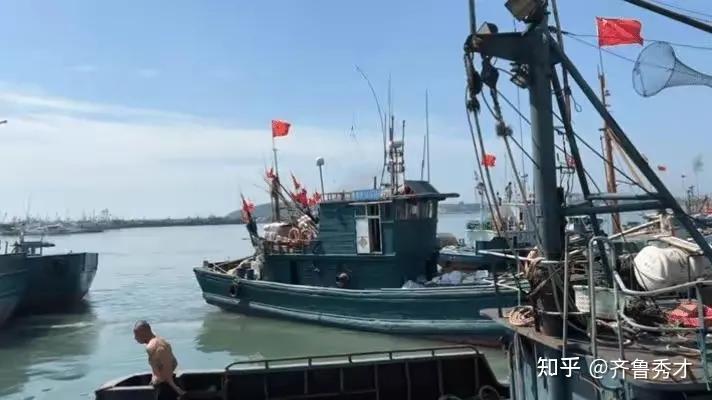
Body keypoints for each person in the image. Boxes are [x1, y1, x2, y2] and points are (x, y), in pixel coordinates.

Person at [133, 320, 185, 400]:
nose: (135, 338)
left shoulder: (151, 347)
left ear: (143, 333)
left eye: (136, 334)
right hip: (171, 385)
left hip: (164, 389)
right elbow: (174, 363)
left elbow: (161, 376)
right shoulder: (162, 341)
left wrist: (155, 382)